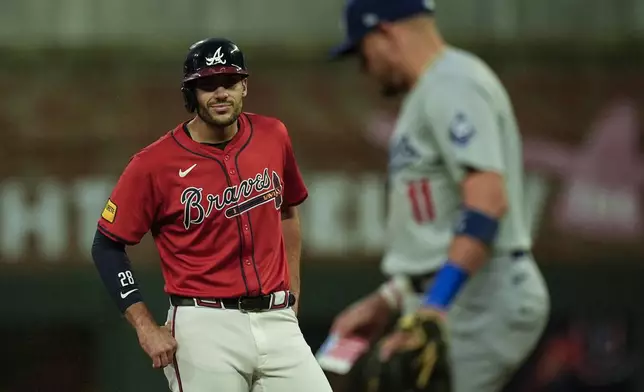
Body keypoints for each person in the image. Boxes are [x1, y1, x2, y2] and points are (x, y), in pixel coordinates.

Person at [327, 0, 551, 390]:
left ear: (384, 33)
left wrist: (434, 308)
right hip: (458, 293)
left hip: (483, 294)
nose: (365, 68)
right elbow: (439, 229)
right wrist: (390, 299)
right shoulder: (432, 89)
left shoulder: (453, 84)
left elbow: (486, 204)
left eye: (362, 52)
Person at [91, 37, 333, 392]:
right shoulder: (153, 165)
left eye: (229, 82)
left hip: (277, 318)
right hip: (204, 325)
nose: (221, 92)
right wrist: (145, 326)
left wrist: (292, 294)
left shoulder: (273, 135)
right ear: (190, 94)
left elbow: (286, 212)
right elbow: (107, 245)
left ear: (244, 86)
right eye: (207, 85)